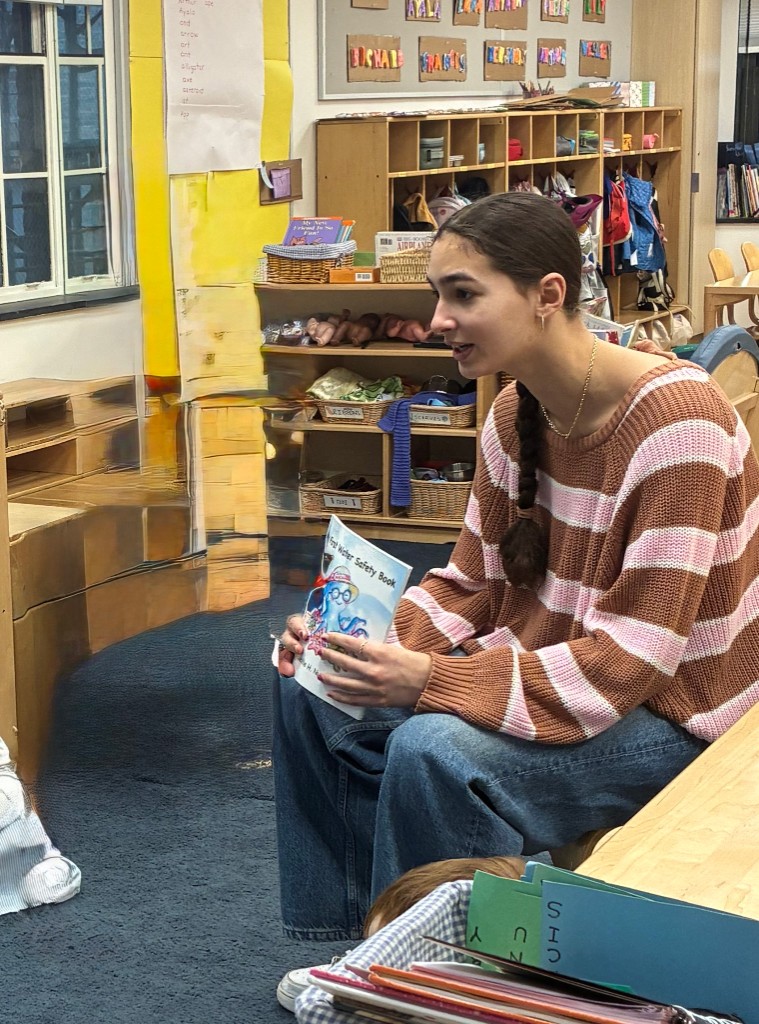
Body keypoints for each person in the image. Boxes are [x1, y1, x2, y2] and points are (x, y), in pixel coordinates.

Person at [273, 191, 759, 950]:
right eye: (437, 294)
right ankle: (365, 948)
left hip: (677, 712)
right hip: (562, 670)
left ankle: (445, 967)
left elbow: (632, 663)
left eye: (462, 294)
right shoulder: (512, 413)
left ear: (547, 296)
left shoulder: (677, 427)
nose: (436, 320)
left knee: (432, 751)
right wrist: (356, 639)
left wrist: (426, 681)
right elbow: (469, 587)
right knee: (312, 691)